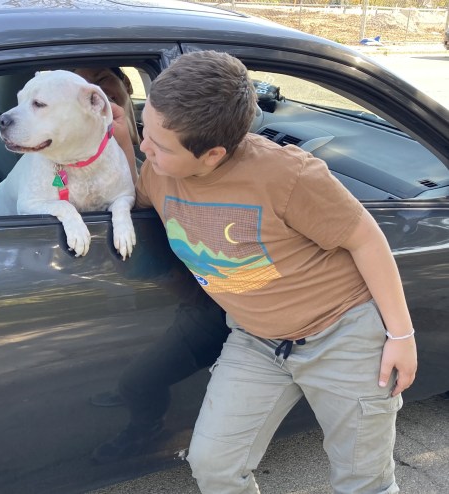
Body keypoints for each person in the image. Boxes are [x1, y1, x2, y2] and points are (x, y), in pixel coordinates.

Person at [135, 50, 417, 493]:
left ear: (212, 155)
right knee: (213, 466)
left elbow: (365, 238)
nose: (144, 148)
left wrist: (401, 337)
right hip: (257, 341)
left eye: (158, 144)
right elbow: (106, 194)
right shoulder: (155, 172)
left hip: (342, 336)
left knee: (363, 481)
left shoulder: (288, 175)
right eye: (142, 129)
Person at [75, 66, 232, 464]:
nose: (95, 90)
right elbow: (134, 192)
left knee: (136, 380)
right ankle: (143, 403)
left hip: (217, 305)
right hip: (198, 302)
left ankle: (145, 426)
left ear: (127, 86)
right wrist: (126, 140)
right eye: (81, 83)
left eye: (102, 78)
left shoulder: (186, 153)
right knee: (135, 378)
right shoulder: (160, 165)